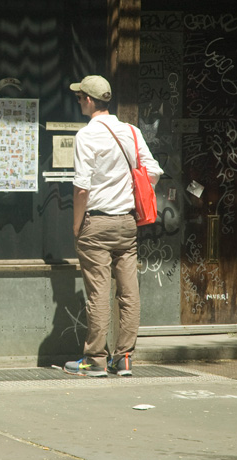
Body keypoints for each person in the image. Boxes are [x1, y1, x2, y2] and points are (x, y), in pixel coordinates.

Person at [64, 75, 163, 377]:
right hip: (126, 223)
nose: (78, 100)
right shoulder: (131, 132)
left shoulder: (87, 136)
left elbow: (82, 188)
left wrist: (77, 225)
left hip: (97, 221)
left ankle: (95, 359)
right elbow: (155, 171)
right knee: (129, 293)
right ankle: (124, 358)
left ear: (90, 101)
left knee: (98, 293)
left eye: (80, 97)